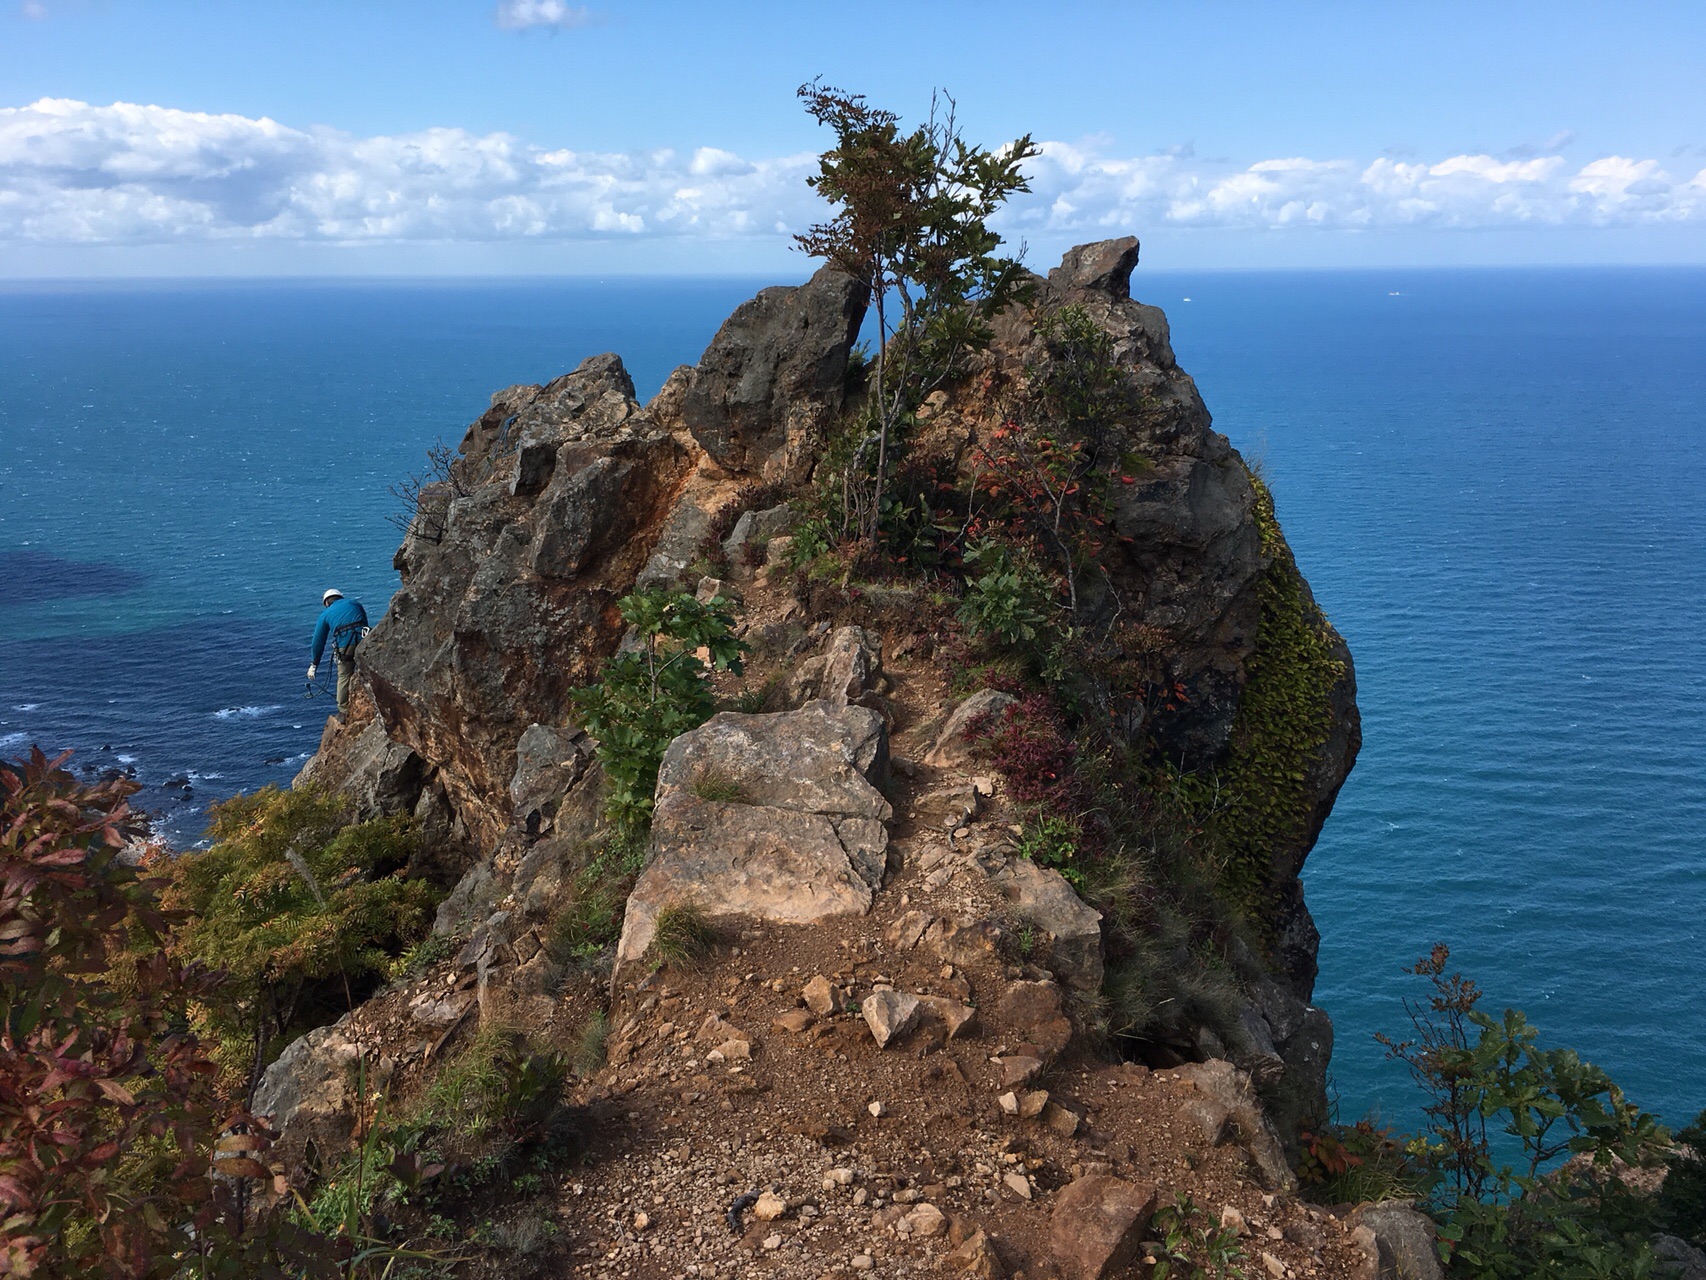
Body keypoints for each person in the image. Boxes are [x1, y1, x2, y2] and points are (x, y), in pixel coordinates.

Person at [307, 589, 368, 715]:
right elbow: (364, 622)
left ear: (327, 603)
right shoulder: (355, 603)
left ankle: (343, 710)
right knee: (368, 670)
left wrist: (314, 664)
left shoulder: (325, 614)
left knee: (344, 676)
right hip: (364, 639)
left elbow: (318, 641)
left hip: (346, 644)